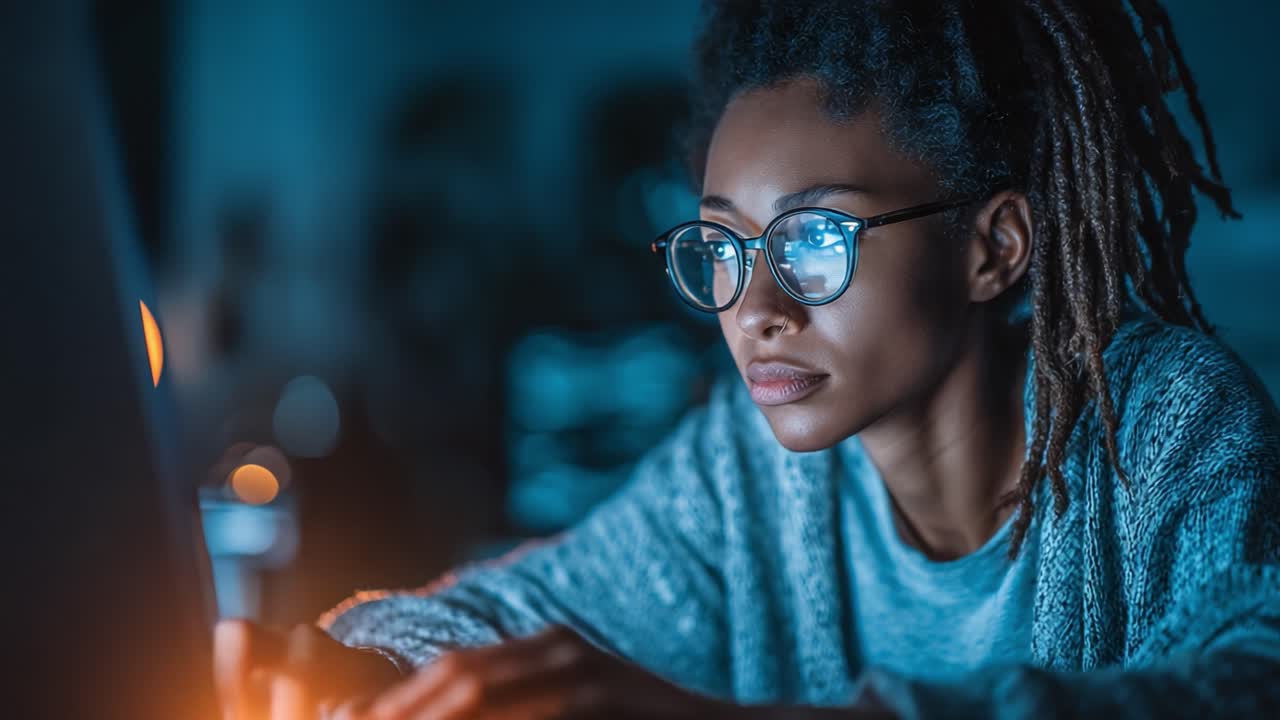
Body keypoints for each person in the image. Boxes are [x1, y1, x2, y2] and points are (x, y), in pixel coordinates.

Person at [214, 1, 1280, 718]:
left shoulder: (1167, 423)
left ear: (992, 247)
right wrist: (363, 666)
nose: (752, 307)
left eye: (813, 240)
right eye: (721, 245)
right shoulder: (748, 467)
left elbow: (1246, 678)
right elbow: (511, 607)